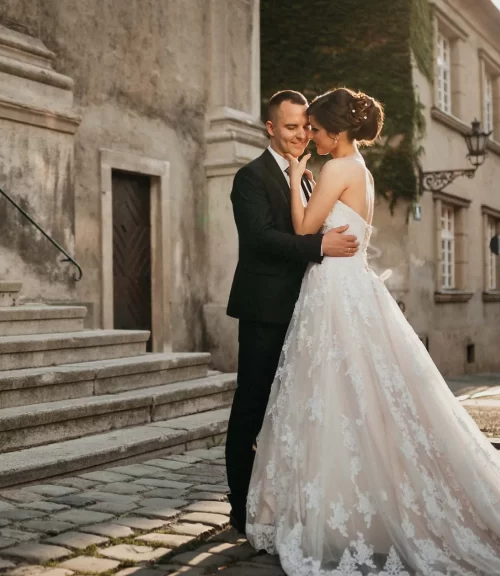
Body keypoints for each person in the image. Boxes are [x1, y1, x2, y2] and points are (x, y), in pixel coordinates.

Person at [245, 87, 500, 574]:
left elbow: (303, 227)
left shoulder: (333, 169)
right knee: (361, 401)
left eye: (316, 129)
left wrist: (294, 178)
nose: (309, 135)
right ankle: (354, 508)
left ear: (338, 130)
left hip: (334, 292)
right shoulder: (363, 172)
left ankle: (336, 510)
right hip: (351, 288)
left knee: (332, 397)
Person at [223, 89, 360, 535]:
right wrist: (320, 245)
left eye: (306, 126)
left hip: (306, 312)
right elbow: (260, 238)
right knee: (253, 407)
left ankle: (282, 500)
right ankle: (241, 508)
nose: (301, 134)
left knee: (292, 410)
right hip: (264, 310)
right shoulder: (250, 177)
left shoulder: (306, 175)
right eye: (290, 127)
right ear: (270, 128)